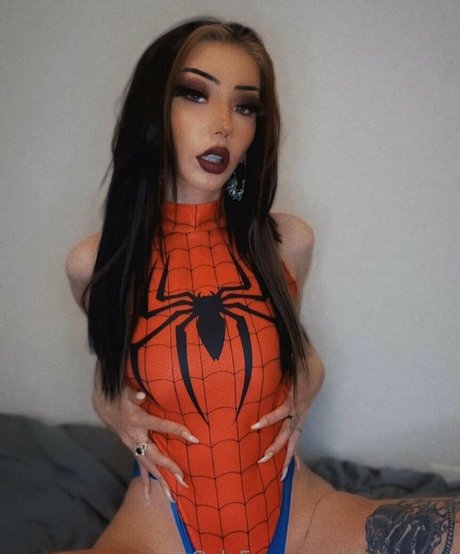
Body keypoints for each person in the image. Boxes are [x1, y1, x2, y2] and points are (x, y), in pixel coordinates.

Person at [64, 18, 459, 554]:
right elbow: (119, 368)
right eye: (195, 94)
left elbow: (286, 345)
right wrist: (104, 399)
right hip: (161, 528)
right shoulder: (98, 264)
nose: (224, 125)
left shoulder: (285, 243)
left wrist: (311, 368)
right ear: (153, 112)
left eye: (245, 106)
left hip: (298, 515)